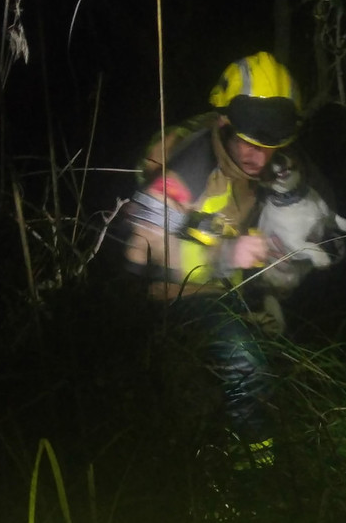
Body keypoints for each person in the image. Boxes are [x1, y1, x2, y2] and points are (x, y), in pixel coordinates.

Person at [122, 51, 315, 471]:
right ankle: (257, 473)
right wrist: (229, 255)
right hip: (174, 296)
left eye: (271, 145)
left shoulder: (262, 162)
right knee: (247, 365)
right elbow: (142, 249)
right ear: (224, 121)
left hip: (227, 289)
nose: (259, 158)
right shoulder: (189, 163)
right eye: (250, 141)